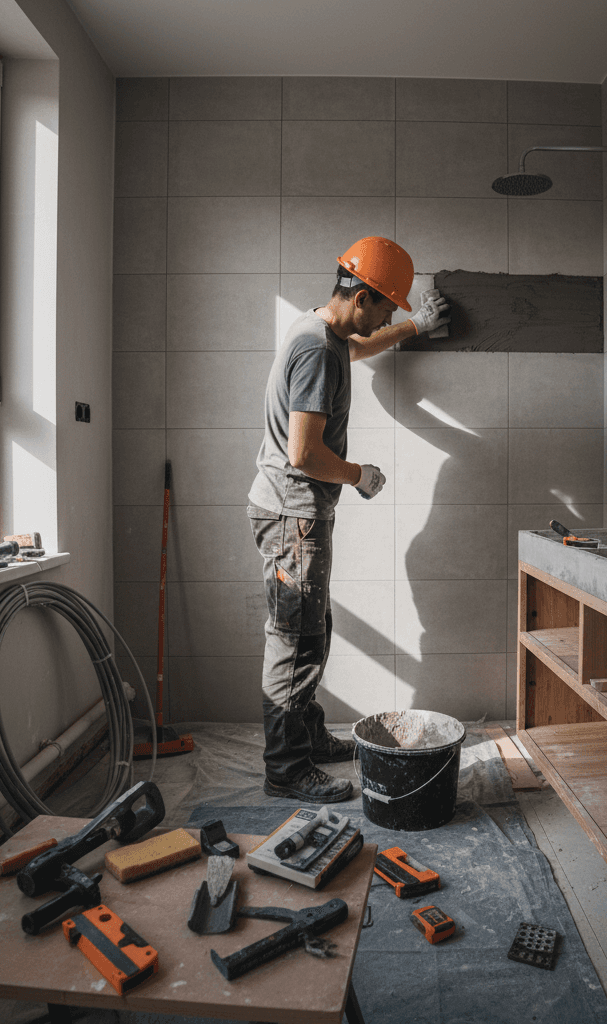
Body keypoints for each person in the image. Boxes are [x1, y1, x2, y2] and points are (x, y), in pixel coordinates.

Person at [246, 237, 450, 802]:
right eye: (387, 308)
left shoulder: (325, 330)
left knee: (312, 628)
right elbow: (304, 454)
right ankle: (286, 769)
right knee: (297, 641)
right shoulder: (315, 350)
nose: (387, 316)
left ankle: (306, 740)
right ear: (362, 297)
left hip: (295, 515)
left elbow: (357, 350)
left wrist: (413, 329)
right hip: (294, 516)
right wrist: (359, 473)